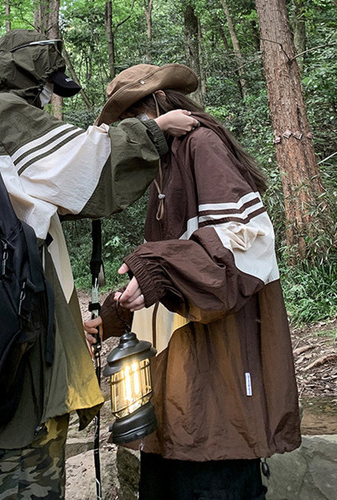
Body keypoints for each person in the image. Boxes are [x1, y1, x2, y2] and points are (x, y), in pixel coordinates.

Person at [0, 31, 198, 499]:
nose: (48, 100)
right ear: (28, 78)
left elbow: (23, 247)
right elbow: (83, 167)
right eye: (48, 87)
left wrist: (65, 325)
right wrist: (153, 132)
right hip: (18, 392)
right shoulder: (3, 113)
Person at [84, 64, 301, 500]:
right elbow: (167, 268)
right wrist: (111, 317)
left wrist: (154, 269)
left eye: (132, 117)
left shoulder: (201, 144)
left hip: (217, 384)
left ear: (159, 104)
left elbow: (247, 246)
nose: (130, 130)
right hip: (171, 392)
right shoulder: (162, 166)